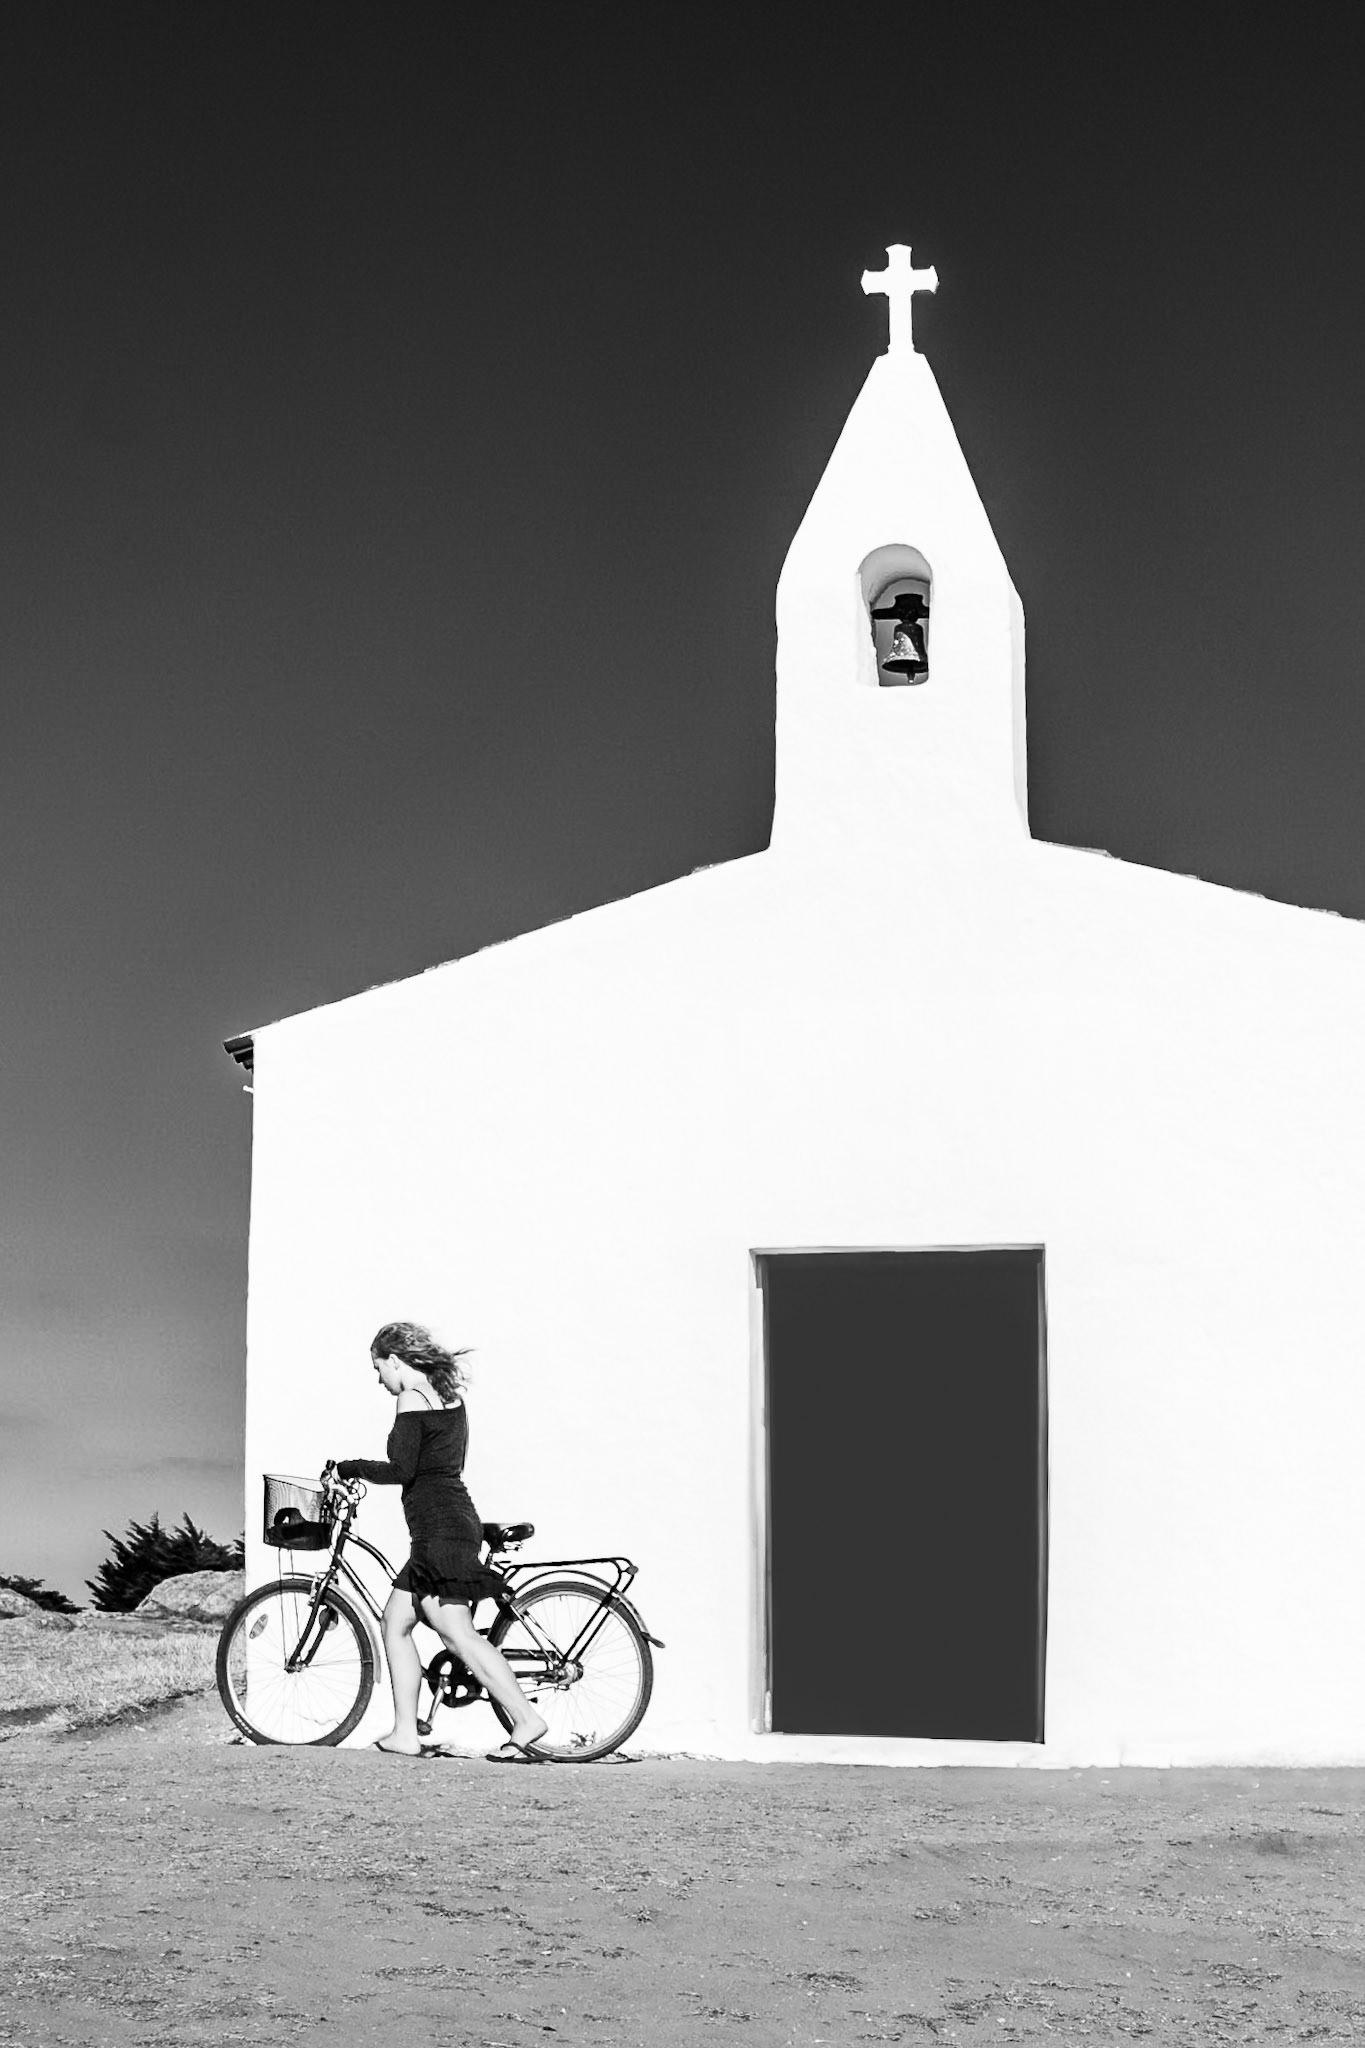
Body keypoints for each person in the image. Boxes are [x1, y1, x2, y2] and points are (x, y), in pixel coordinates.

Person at [335, 1321, 548, 1762]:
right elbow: (443, 1465)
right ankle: (405, 1734)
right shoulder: (449, 1397)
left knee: (457, 1634)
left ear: (395, 1360)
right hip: (448, 1521)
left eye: (378, 1368)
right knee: (395, 1623)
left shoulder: (412, 1398)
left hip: (440, 1529)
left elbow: (402, 1470)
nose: (379, 1380)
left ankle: (526, 1719)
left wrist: (348, 1468)